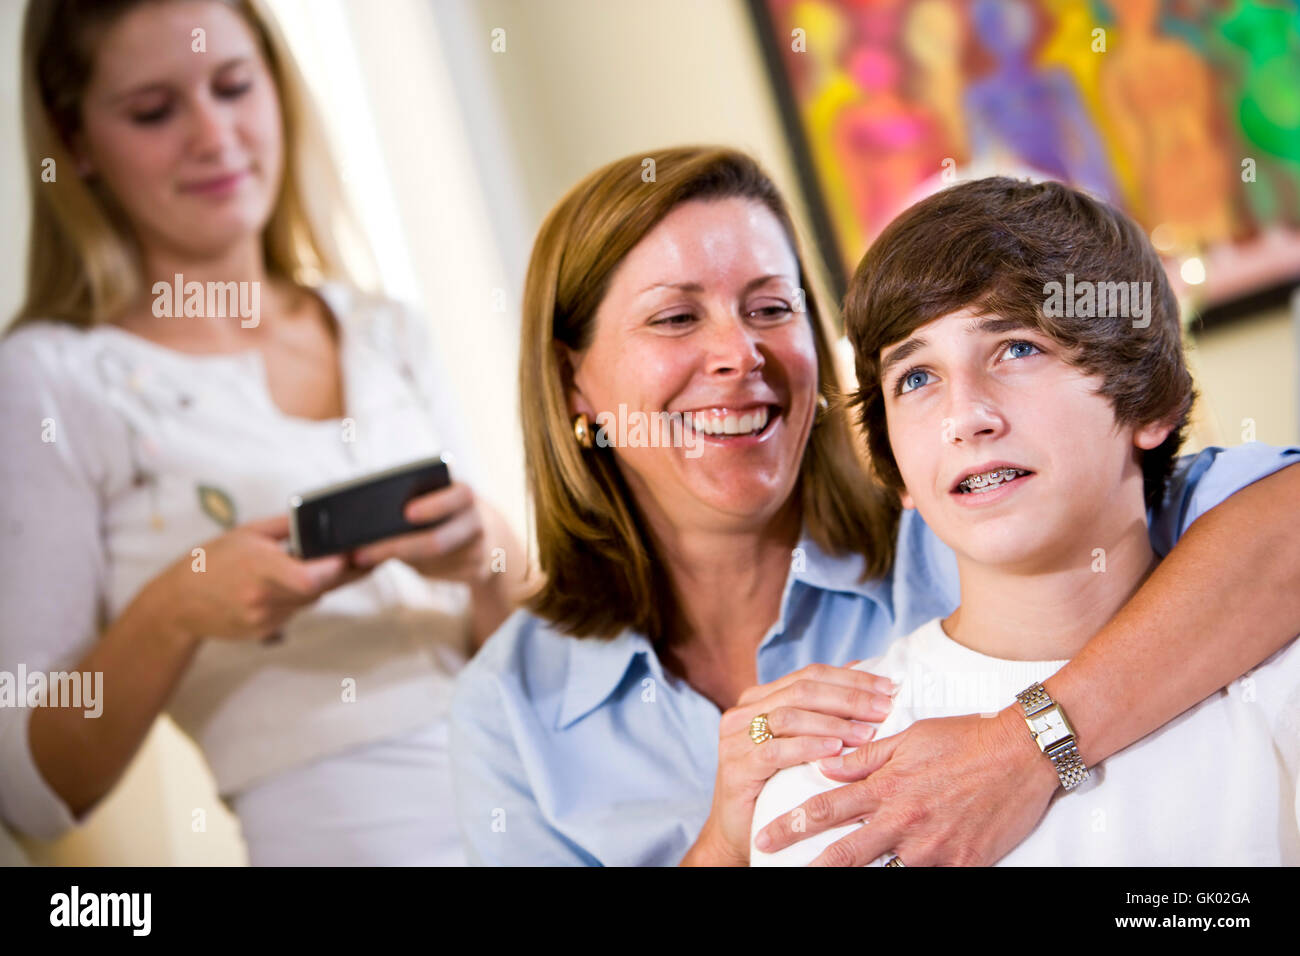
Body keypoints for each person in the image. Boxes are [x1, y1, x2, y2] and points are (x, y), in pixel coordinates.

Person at [450, 145, 1300, 866]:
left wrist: (1026, 747)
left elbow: (1280, 536)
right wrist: (725, 843)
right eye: (675, 317)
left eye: (772, 308)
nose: (737, 354)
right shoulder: (513, 707)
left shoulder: (987, 520)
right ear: (573, 384)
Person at [0, 0, 524, 865]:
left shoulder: (388, 333)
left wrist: (492, 556)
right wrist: (177, 610)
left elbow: (533, 669)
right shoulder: (52, 381)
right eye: (154, 111)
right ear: (75, 139)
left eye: (235, 86)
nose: (214, 135)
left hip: (553, 810)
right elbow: (30, 792)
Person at [751, 177, 1299, 865]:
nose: (966, 417)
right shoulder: (833, 779)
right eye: (916, 378)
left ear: (1149, 402)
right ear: (894, 464)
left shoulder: (1280, 677)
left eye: (1017, 348)